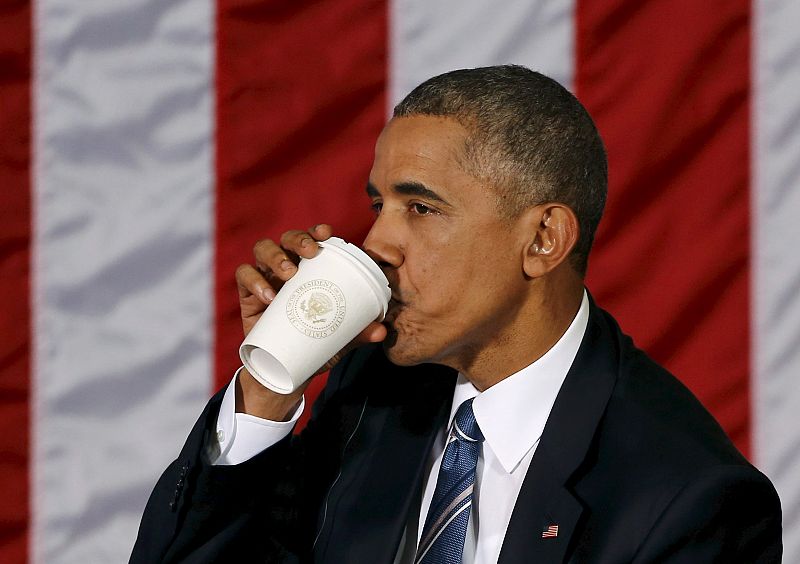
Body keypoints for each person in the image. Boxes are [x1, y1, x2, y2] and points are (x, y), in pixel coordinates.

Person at [131, 65, 782, 563]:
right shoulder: (368, 392)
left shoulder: (689, 500)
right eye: (379, 206)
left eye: (420, 208)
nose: (377, 244)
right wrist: (271, 383)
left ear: (543, 239)